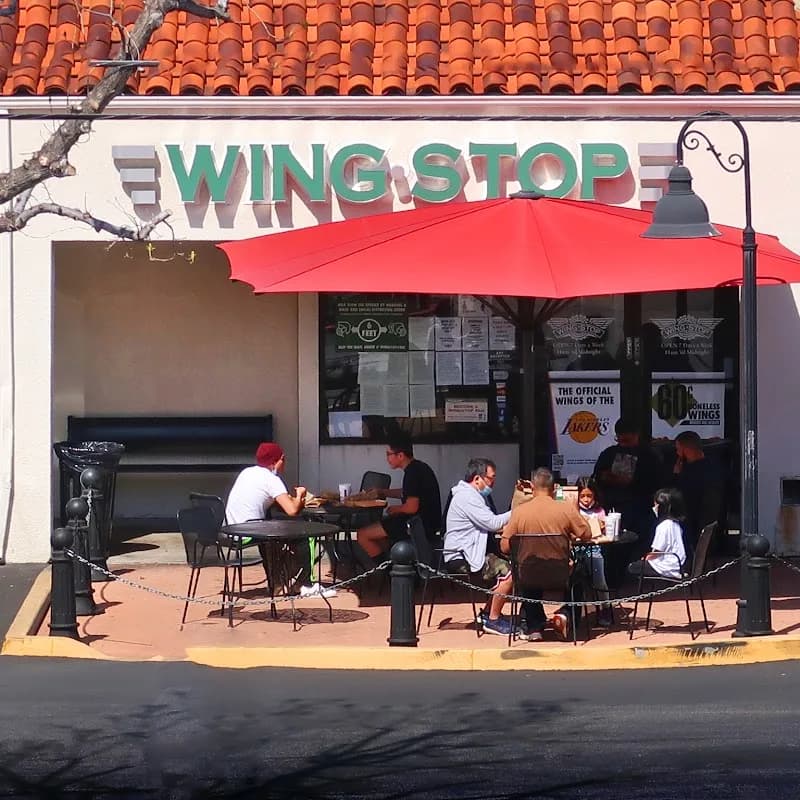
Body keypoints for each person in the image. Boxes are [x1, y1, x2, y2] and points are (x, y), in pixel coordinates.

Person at [500, 468, 591, 641]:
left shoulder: (519, 512)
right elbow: (586, 534)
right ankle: (566, 615)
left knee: (527, 572)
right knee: (581, 573)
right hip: (561, 573)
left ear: (532, 487)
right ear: (554, 488)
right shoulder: (565, 509)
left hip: (528, 574)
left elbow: (504, 546)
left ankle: (534, 627)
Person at [224, 442, 314, 592]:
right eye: (283, 459)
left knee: (273, 529)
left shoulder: (247, 472)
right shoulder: (272, 480)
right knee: (306, 535)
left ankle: (277, 581)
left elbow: (265, 499)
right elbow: (292, 511)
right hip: (250, 530)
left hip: (232, 530)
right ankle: (306, 584)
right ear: (277, 461)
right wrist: (300, 495)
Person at [443, 458, 514, 637]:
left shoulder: (473, 496)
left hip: (472, 549)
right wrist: (518, 510)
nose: (493, 483)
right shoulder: (467, 497)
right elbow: (492, 523)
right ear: (477, 479)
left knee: (507, 566)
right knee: (509, 574)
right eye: (491, 478)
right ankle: (493, 619)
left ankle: (488, 614)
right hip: (461, 556)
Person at [356, 433, 442, 560]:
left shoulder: (412, 473)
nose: (387, 458)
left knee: (362, 534)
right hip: (426, 522)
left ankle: (386, 571)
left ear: (400, 455)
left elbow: (411, 507)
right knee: (381, 532)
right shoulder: (419, 468)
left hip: (418, 525)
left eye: (388, 454)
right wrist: (383, 492)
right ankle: (391, 562)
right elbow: (408, 492)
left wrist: (394, 509)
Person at [593, 417, 663, 546]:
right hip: (613, 510)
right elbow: (596, 479)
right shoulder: (609, 454)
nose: (623, 444)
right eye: (620, 440)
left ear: (637, 435)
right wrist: (607, 477)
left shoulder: (649, 456)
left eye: (627, 440)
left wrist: (633, 481)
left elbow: (657, 483)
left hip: (640, 511)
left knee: (639, 546)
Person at [670, 430, 724, 553]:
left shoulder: (690, 472)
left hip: (693, 522)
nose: (677, 453)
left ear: (685, 449)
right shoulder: (713, 466)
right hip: (708, 522)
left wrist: (676, 475)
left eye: (678, 449)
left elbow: (681, 494)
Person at [575, 475, 613, 628]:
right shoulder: (573, 510)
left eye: (589, 496)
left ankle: (605, 608)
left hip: (594, 549)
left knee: (599, 578)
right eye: (582, 496)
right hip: (576, 549)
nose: (585, 500)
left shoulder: (599, 511)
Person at [628, 487, 687, 580]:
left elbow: (657, 551)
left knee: (632, 567)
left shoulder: (663, 526)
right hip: (678, 563)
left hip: (667, 566)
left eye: (655, 505)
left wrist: (645, 558)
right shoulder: (676, 523)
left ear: (661, 507)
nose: (654, 508)